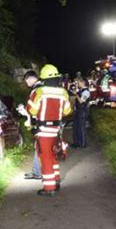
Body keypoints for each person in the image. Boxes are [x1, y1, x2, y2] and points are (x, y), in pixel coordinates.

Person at [26, 64, 72, 197]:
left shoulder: (38, 92)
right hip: (56, 130)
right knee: (53, 155)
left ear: (43, 78)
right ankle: (56, 179)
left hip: (43, 130)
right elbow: (67, 111)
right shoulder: (63, 92)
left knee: (45, 157)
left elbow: (31, 110)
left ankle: (49, 187)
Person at [22, 70, 43, 180]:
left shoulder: (36, 90)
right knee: (39, 148)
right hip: (49, 122)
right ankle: (36, 171)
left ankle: (38, 172)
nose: (26, 83)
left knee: (39, 148)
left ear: (31, 78)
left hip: (41, 123)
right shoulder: (43, 87)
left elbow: (33, 109)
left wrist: (26, 113)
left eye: (26, 81)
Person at [72, 78, 90, 148]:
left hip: (82, 111)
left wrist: (76, 94)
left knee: (81, 128)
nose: (78, 84)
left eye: (79, 82)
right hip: (78, 111)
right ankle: (76, 143)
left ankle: (83, 144)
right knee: (75, 127)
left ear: (83, 83)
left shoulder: (86, 92)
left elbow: (81, 101)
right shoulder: (81, 91)